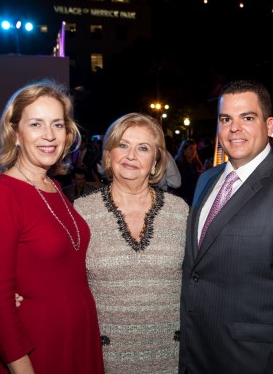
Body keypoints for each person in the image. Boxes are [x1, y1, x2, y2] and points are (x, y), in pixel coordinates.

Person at [179, 79, 273, 373]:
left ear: (269, 125)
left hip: (252, 361)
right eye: (226, 119)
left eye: (247, 117)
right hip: (195, 355)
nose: (235, 128)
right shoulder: (205, 180)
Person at [0, 78, 104, 374]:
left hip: (77, 340)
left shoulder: (54, 186)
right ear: (15, 132)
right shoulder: (0, 196)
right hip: (36, 349)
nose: (49, 135)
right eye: (36, 124)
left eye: (57, 124)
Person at [73, 112, 189, 373]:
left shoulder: (180, 211)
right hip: (103, 358)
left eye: (143, 148)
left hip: (170, 356)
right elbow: (61, 279)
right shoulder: (81, 212)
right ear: (109, 154)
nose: (131, 156)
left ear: (157, 159)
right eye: (122, 145)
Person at [173, 139, 204, 204]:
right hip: (184, 199)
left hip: (196, 198)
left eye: (195, 149)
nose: (194, 151)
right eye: (191, 149)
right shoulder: (179, 165)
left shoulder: (197, 164)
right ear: (184, 151)